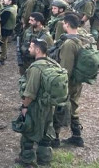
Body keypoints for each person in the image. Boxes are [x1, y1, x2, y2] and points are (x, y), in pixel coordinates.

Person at [16, 39, 59, 168]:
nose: (29, 49)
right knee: (46, 130)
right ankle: (44, 159)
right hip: (49, 104)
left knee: (28, 131)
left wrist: (25, 106)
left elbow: (30, 92)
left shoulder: (36, 68)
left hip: (36, 105)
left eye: (31, 47)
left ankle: (27, 161)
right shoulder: (54, 63)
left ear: (38, 50)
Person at [52, 14, 89, 148]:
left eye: (63, 23)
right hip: (78, 80)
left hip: (69, 81)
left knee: (58, 107)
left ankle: (54, 139)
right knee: (73, 106)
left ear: (67, 24)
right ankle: (77, 136)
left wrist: (60, 85)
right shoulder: (83, 38)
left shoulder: (69, 44)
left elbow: (65, 68)